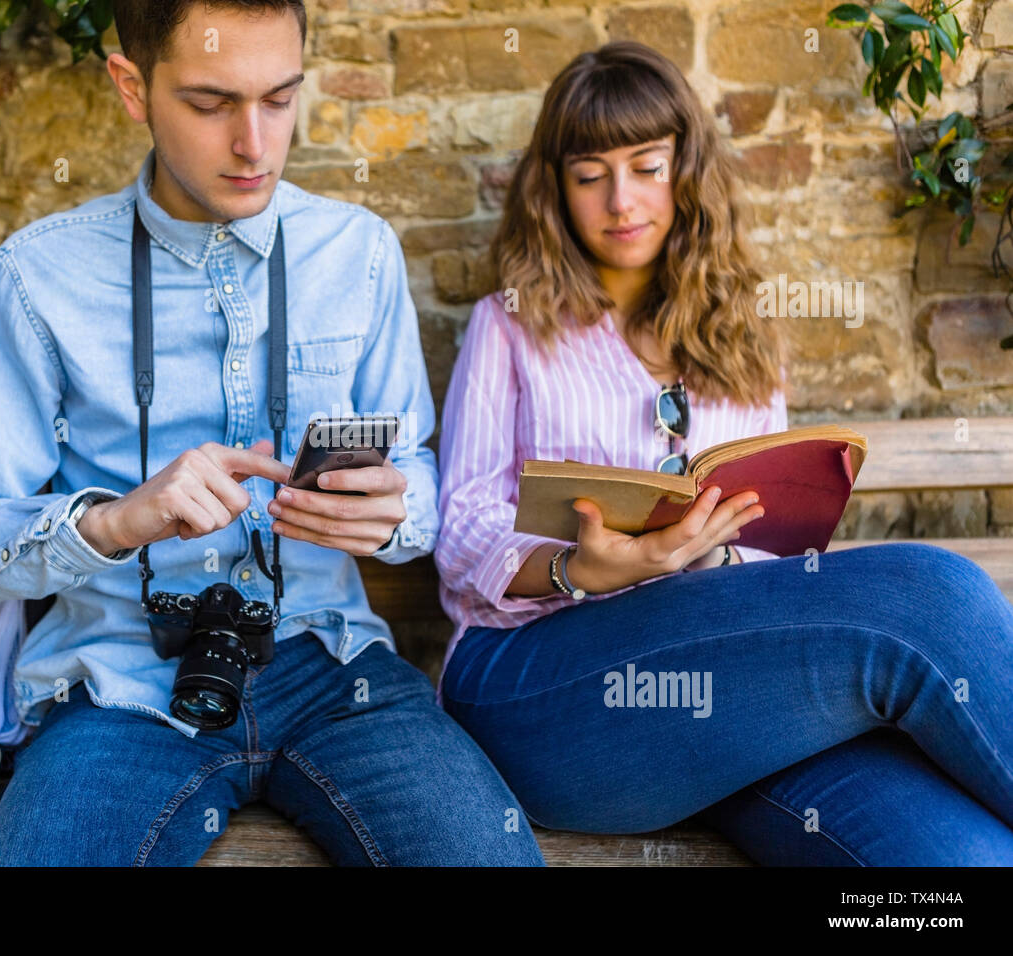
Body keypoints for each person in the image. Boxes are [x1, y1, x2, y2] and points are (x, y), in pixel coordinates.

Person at [0, 0, 542, 866]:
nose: (256, 143)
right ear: (132, 87)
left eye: (280, 99)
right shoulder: (34, 278)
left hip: (335, 668)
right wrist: (113, 522)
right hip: (119, 683)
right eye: (212, 105)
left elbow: (421, 485)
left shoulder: (359, 251)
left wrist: (394, 520)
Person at [433, 41, 1013, 866]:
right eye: (590, 173)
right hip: (545, 688)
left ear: (686, 169)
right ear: (555, 188)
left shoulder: (741, 332)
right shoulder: (512, 324)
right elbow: (459, 537)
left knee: (960, 858)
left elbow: (768, 539)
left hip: (723, 694)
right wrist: (583, 567)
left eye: (647, 166)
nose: (622, 200)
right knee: (936, 594)